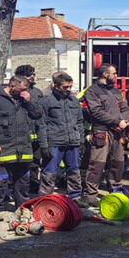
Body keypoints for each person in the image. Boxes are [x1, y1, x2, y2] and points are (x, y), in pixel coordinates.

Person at [0, 75, 43, 221]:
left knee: (23, 179)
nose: (24, 93)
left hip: (23, 146)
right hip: (3, 144)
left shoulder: (23, 98)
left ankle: (23, 206)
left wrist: (29, 101)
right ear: (12, 86)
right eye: (21, 90)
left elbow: (37, 114)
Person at [81, 64, 129, 207]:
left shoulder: (115, 91)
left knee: (118, 163)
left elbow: (125, 107)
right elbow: (96, 111)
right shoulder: (92, 91)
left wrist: (124, 121)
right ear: (104, 74)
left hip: (118, 132)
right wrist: (116, 121)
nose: (116, 76)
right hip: (102, 131)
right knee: (97, 164)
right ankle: (91, 194)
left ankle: (115, 189)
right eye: (114, 74)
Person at [37, 72, 87, 204]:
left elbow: (80, 121)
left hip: (73, 142)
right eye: (65, 87)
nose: (69, 90)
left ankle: (75, 196)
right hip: (54, 142)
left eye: (70, 86)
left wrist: (81, 140)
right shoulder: (46, 102)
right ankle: (44, 198)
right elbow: (41, 124)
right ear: (55, 86)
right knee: (49, 172)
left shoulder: (74, 101)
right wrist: (44, 145)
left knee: (74, 170)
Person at [13, 65, 44, 194]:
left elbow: (41, 113)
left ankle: (33, 184)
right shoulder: (14, 92)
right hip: (18, 135)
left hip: (35, 134)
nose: (32, 77)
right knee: (16, 163)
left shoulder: (37, 92)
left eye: (33, 74)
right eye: (29, 75)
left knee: (35, 162)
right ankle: (12, 188)